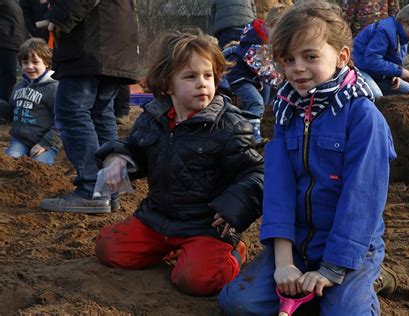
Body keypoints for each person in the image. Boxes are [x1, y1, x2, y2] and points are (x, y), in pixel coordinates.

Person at [219, 2, 397, 315]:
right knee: (238, 304)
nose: (297, 67)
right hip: (298, 243)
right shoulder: (286, 113)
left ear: (341, 56)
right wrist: (284, 263)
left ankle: (375, 277)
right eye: (288, 59)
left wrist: (333, 268)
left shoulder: (363, 116)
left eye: (310, 56)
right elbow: (279, 190)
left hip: (350, 247)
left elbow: (362, 198)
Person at [93, 29, 264, 297]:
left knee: (198, 280)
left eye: (208, 76)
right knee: (108, 249)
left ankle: (232, 251)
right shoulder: (153, 117)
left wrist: (235, 206)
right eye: (190, 76)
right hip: (156, 217)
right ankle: (175, 249)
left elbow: (255, 172)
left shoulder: (230, 125)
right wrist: (118, 158)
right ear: (167, 84)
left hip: (206, 225)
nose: (202, 83)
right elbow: (136, 148)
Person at [38, 0, 139, 213]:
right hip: (113, 41)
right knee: (101, 114)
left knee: (71, 112)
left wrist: (59, 16)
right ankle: (108, 189)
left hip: (90, 42)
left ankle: (92, 190)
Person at [225, 4, 288, 145]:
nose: (281, 39)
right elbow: (265, 70)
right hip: (238, 77)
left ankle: (256, 124)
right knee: (256, 103)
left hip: (251, 77)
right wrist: (285, 79)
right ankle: (253, 137)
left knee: (265, 99)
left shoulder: (263, 39)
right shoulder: (254, 43)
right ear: (270, 26)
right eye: (280, 34)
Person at [352, 1, 409, 98]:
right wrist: (400, 72)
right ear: (404, 22)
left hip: (378, 74)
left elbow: (393, 60)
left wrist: (394, 75)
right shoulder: (384, 30)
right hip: (360, 69)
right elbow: (372, 61)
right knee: (377, 96)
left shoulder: (403, 37)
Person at [5, 37, 60, 166]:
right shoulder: (19, 86)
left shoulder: (54, 88)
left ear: (46, 63)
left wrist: (45, 143)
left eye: (35, 62)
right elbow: (12, 111)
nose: (30, 67)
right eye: (25, 62)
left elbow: (62, 121)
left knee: (39, 167)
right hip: (20, 140)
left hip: (45, 141)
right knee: (11, 164)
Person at [0, 0, 29, 104]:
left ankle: (6, 105)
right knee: (8, 76)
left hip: (15, 41)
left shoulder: (15, 3)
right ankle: (4, 106)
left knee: (10, 76)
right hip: (6, 40)